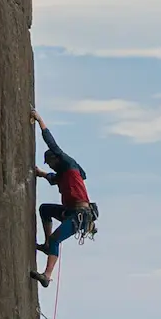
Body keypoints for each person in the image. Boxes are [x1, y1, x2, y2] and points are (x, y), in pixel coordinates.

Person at [36, 117, 98, 284]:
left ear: (57, 159)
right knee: (44, 209)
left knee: (57, 238)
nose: (50, 165)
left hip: (80, 215)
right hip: (70, 212)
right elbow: (52, 178)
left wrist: (39, 120)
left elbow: (52, 145)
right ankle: (48, 244)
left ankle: (47, 276)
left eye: (50, 162)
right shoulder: (64, 175)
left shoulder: (68, 164)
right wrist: (41, 173)